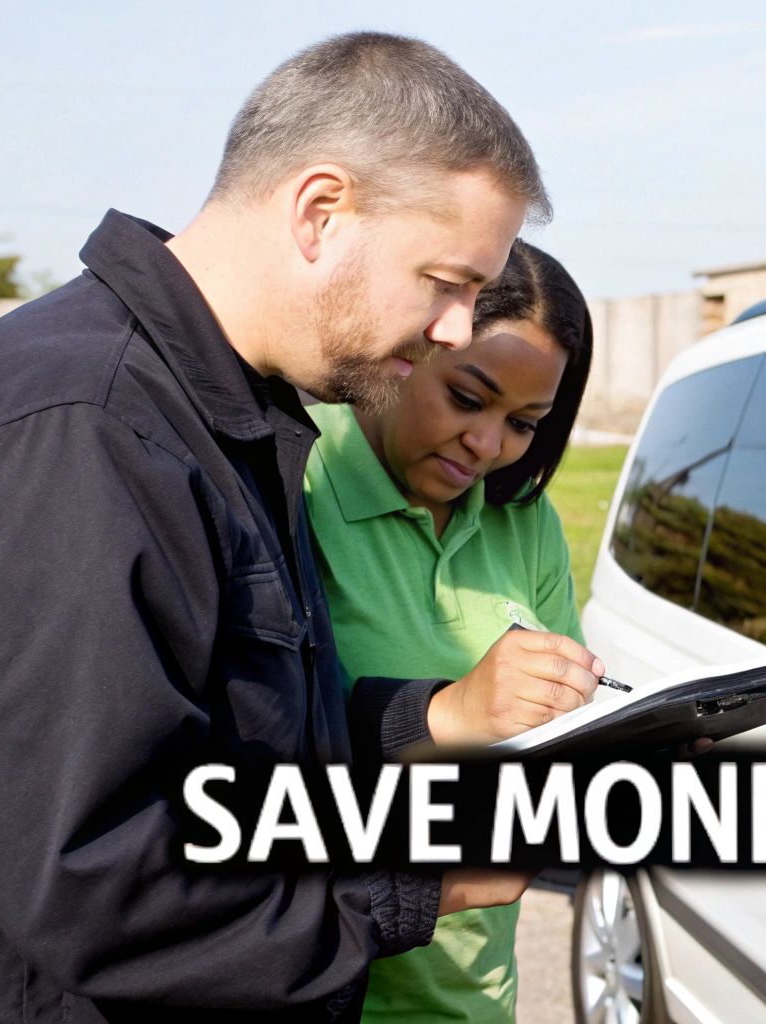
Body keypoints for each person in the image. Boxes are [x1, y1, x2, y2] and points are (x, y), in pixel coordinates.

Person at [0, 33, 598, 1023]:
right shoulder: (83, 434)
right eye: (444, 281)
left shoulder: (223, 421)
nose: (455, 326)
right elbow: (107, 881)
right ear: (320, 211)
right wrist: (419, 879)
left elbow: (245, 745)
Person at [305, 241, 592, 1022]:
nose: (489, 445)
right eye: (469, 398)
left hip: (474, 993)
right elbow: (257, 742)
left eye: (525, 423)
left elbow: (555, 734)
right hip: (335, 992)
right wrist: (452, 713)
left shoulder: (523, 522)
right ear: (408, 350)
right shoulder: (295, 478)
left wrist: (627, 744)